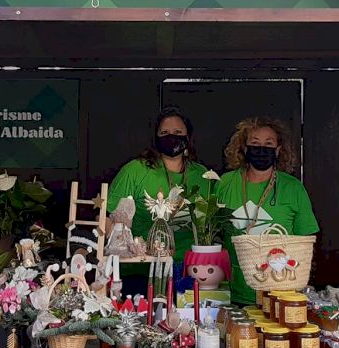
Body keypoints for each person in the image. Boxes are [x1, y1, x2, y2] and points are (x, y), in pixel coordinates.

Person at [108, 107, 210, 298]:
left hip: (189, 270)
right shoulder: (135, 170)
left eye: (178, 132)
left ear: (188, 137)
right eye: (164, 133)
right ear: (155, 138)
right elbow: (109, 218)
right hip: (140, 269)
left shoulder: (203, 175)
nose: (172, 137)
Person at [217, 116, 319, 306]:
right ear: (244, 148)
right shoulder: (225, 183)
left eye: (269, 144)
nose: (261, 148)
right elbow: (211, 233)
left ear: (278, 150)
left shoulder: (293, 188)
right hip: (232, 293)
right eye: (255, 143)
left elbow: (305, 242)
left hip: (279, 294)